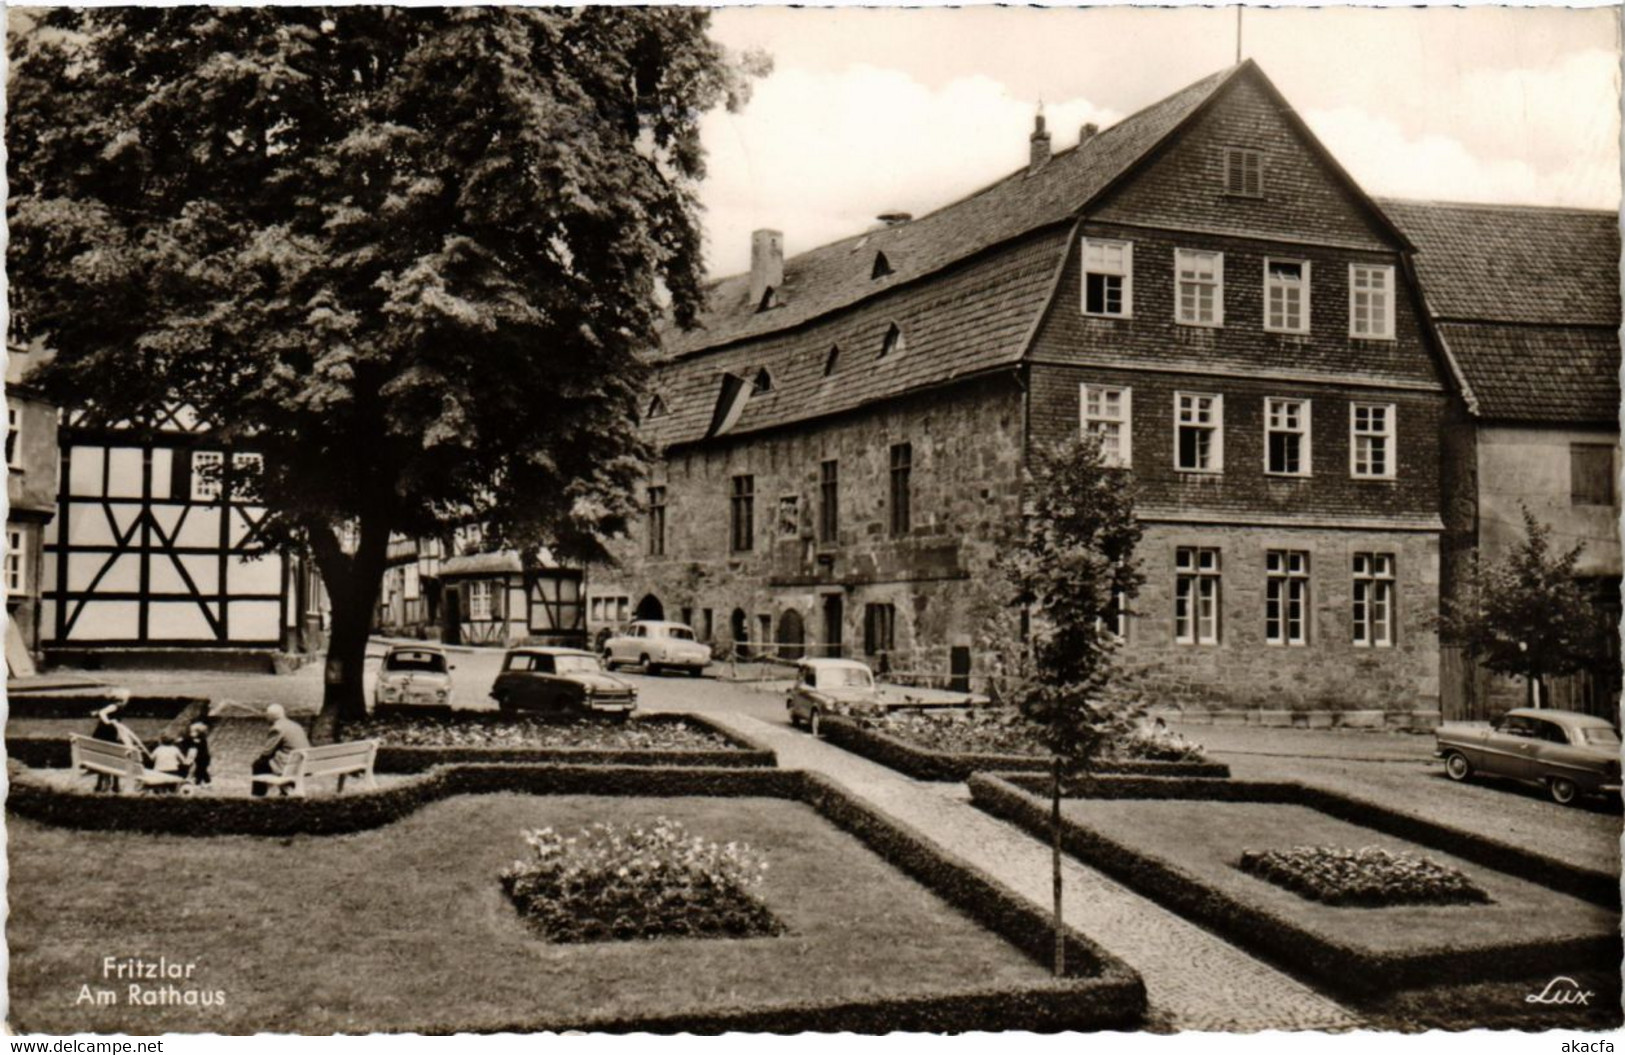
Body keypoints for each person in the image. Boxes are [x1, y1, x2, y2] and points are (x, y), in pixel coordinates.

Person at [88, 691, 148, 792]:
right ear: (122, 700)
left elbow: (101, 712)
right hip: (107, 737)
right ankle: (115, 784)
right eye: (127, 700)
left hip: (100, 737)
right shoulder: (114, 706)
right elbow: (103, 713)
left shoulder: (112, 706)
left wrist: (99, 715)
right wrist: (108, 722)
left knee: (104, 758)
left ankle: (100, 784)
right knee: (115, 758)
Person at [251, 704, 310, 797]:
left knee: (258, 764)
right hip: (304, 764)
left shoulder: (277, 728)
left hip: (290, 766)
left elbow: (266, 752)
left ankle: (258, 796)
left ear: (269, 717)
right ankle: (286, 789)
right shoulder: (295, 725)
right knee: (268, 762)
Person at [179, 721, 212, 786]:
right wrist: (182, 740)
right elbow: (186, 742)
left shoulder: (202, 740)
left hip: (203, 757)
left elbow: (199, 747)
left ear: (199, 733)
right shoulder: (191, 739)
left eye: (193, 732)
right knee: (201, 770)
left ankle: (199, 782)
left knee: (200, 770)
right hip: (198, 757)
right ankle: (206, 781)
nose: (191, 733)